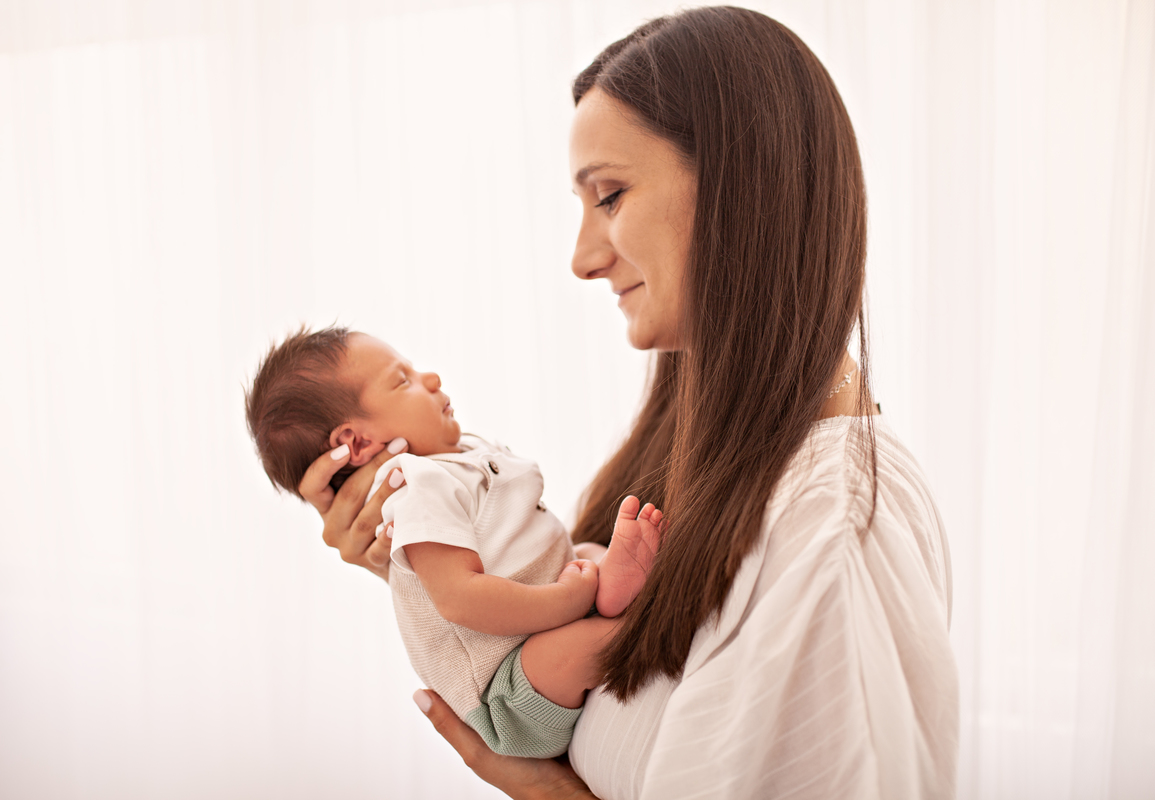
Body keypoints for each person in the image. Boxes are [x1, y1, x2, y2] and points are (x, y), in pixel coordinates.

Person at [299, 6, 959, 798]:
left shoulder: (836, 533)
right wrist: (422, 561)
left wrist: (548, 793)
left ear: (742, 188)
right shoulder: (712, 465)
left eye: (608, 196)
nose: (581, 258)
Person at [245, 326, 662, 758]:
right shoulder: (414, 490)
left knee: (591, 555)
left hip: (554, 607)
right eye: (402, 380)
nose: (431, 379)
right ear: (357, 442)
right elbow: (460, 599)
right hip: (511, 694)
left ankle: (607, 589)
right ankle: (618, 615)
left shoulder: (457, 457)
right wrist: (568, 600)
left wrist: (575, 585)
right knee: (572, 650)